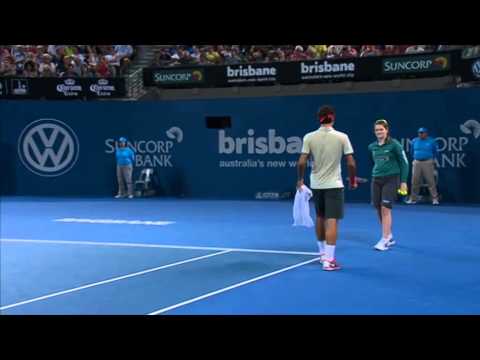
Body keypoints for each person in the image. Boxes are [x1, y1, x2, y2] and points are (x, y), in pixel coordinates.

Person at [297, 105, 358, 271]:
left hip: (316, 184)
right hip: (334, 185)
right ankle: (329, 260)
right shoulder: (342, 137)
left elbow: (302, 161)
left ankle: (322, 254)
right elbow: (351, 162)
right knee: (332, 220)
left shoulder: (309, 137)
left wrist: (300, 180)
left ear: (319, 118)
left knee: (320, 216)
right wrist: (353, 180)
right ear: (333, 118)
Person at [368, 119, 409, 251]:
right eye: (376, 130)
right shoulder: (372, 147)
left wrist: (403, 182)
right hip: (376, 179)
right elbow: (374, 163)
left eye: (381, 129)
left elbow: (404, 163)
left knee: (386, 208)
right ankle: (389, 235)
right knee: (377, 207)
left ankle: (384, 239)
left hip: (392, 179)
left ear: (387, 130)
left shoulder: (395, 145)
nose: (379, 132)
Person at [406, 127, 439, 205]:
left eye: (422, 133)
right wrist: (416, 158)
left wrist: (432, 159)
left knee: (431, 181)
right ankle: (413, 199)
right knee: (415, 181)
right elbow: (411, 151)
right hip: (417, 162)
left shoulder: (431, 141)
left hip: (428, 162)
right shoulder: (414, 141)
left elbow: (436, 152)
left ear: (426, 133)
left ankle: (434, 199)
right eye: (419, 133)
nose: (420, 134)